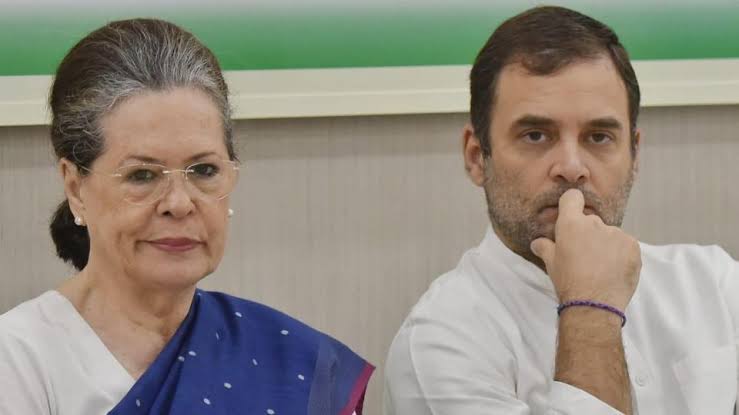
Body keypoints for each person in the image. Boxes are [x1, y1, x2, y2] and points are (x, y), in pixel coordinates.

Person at [0, 18, 372, 415]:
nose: (179, 203)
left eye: (203, 170)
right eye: (142, 175)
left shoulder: (296, 362)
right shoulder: (20, 361)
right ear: (76, 188)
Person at [384, 6, 739, 415]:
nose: (571, 167)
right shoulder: (440, 343)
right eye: (536, 135)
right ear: (477, 157)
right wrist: (591, 307)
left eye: (599, 137)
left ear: (635, 155)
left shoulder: (713, 283)